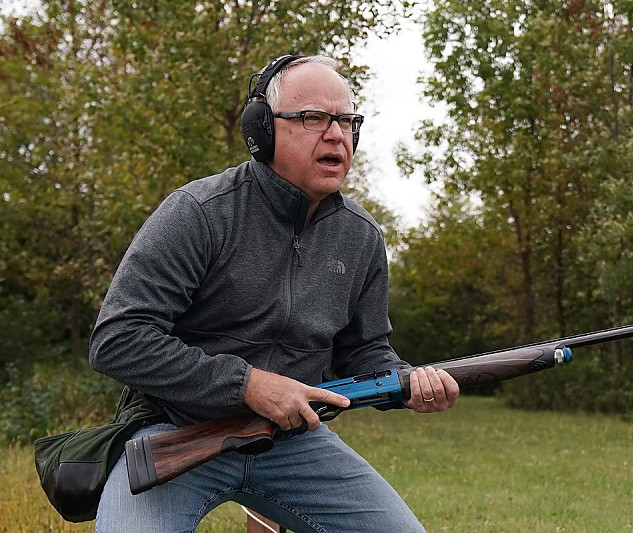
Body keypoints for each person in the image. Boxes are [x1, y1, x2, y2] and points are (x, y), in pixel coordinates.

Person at [88, 54, 460, 532]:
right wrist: (250, 385)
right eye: (313, 118)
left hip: (294, 443)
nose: (336, 135)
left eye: (347, 121)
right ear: (262, 131)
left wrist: (407, 383)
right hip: (177, 432)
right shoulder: (199, 212)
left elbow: (364, 350)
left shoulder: (362, 237)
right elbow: (117, 339)